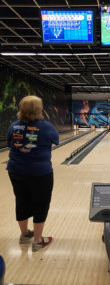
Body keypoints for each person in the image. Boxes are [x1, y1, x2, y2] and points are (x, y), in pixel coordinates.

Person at [6, 95, 59, 251]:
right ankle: (37, 241)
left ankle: (24, 235)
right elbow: (56, 140)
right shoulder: (47, 127)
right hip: (40, 173)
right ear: (39, 110)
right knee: (41, 204)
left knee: (21, 200)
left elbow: (10, 143)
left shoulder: (13, 126)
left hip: (16, 170)